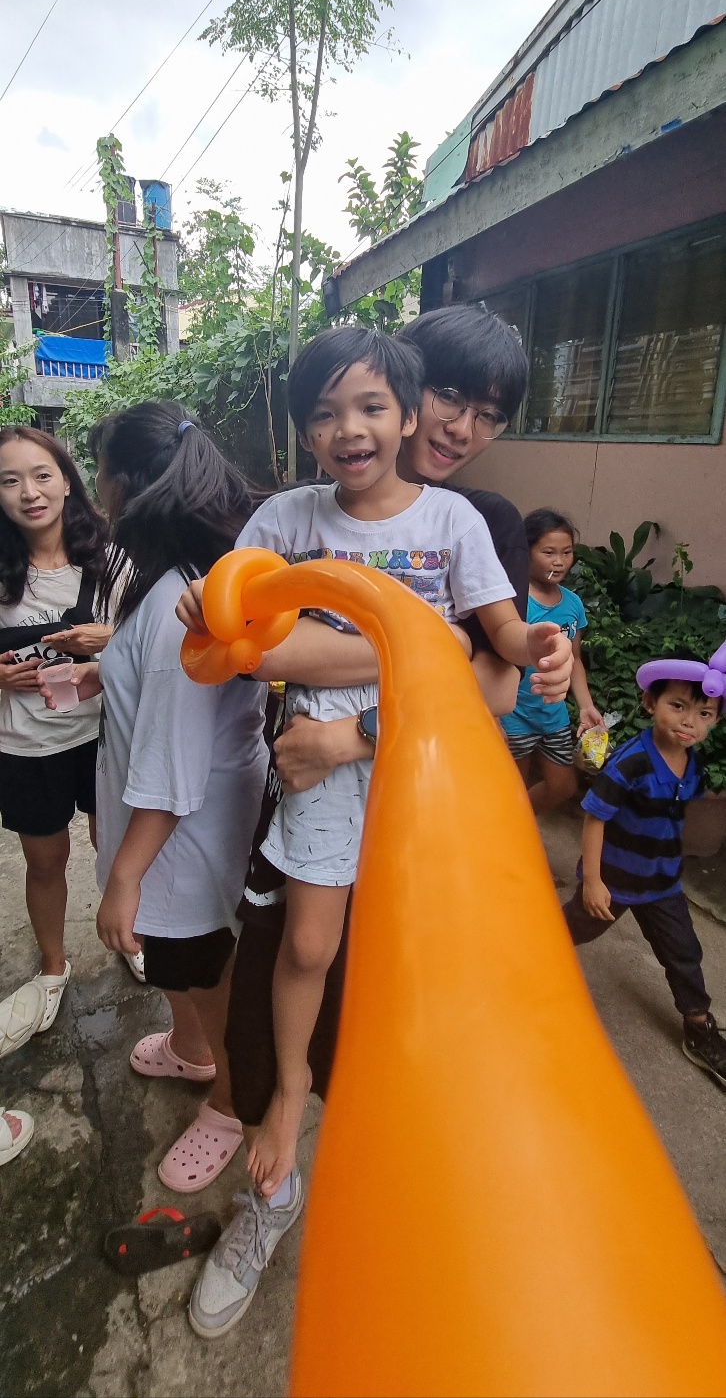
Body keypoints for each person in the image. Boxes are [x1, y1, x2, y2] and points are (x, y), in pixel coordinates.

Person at [181, 305, 576, 1340]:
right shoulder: (292, 515)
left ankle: (415, 1198)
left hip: (424, 777)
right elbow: (246, 634)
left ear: (394, 412)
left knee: (420, 995)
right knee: (300, 952)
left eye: (488, 413)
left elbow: (498, 659)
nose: (460, 426)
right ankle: (279, 1133)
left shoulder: (465, 521)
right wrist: (422, 641)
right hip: (311, 775)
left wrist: (541, 644)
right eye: (327, 411)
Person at [45, 402, 270, 1192]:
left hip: (182, 830)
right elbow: (157, 684)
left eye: (99, 470)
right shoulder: (170, 581)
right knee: (180, 956)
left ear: (128, 482)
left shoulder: (182, 606)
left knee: (202, 962)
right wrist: (101, 673)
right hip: (176, 819)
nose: (94, 486)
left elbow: (174, 769)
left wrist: (123, 878)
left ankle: (232, 1101)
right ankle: (191, 1049)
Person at [563, 654, 726, 1084]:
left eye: (704, 713)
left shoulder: (693, 764)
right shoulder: (631, 762)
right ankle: (518, 958)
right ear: (651, 703)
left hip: (661, 882)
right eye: (678, 706)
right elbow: (595, 817)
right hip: (613, 881)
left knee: (684, 952)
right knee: (565, 932)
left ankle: (699, 1028)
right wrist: (593, 881)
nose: (689, 721)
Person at [0, 426, 110, 1056]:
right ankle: (51, 967)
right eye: (10, 480)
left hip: (102, 735)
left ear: (67, 481)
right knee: (45, 862)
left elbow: (154, 636)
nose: (29, 492)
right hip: (26, 746)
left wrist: (108, 641)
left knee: (112, 845)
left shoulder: (110, 558)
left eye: (42, 475)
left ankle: (134, 937)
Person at [501, 508, 604, 813]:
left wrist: (586, 706)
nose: (559, 561)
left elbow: (575, 658)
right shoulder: (512, 600)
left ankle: (519, 825)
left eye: (567, 552)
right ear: (527, 552)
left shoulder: (573, 603)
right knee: (511, 791)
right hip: (513, 715)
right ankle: (514, 831)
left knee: (563, 786)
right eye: (548, 552)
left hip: (553, 715)